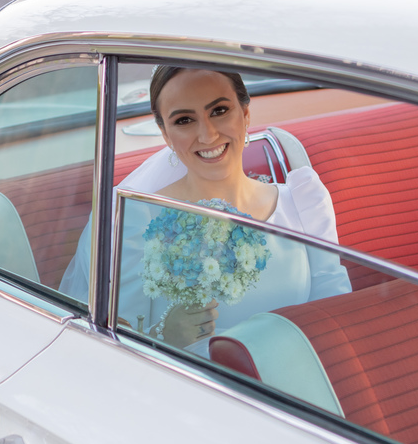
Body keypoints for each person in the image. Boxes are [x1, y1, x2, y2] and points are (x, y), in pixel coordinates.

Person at [59, 66, 351, 348]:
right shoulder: (135, 217)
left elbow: (335, 316)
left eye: (219, 111)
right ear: (165, 134)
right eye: (184, 120)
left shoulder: (303, 202)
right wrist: (164, 336)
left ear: (245, 115)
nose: (208, 135)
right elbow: (119, 344)